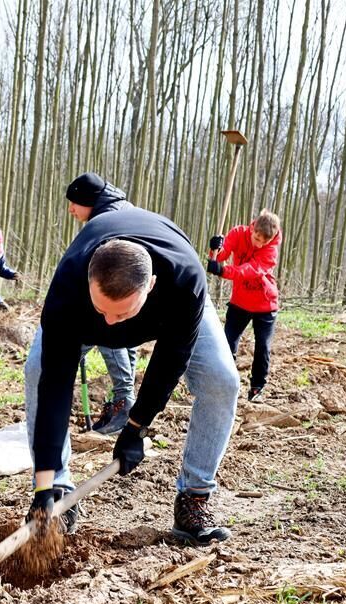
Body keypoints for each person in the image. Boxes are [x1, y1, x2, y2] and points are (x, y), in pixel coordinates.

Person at [25, 201, 240, 546]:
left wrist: (136, 427)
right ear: (89, 281)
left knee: (222, 380)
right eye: (101, 310)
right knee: (37, 370)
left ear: (151, 285)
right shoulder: (68, 286)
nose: (109, 324)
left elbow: (170, 362)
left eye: (121, 313)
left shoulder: (184, 282)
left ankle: (194, 499)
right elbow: (55, 385)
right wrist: (43, 482)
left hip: (173, 305)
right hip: (77, 313)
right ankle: (58, 494)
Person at [64, 173, 139, 435]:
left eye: (74, 202)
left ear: (90, 201)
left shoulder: (107, 221)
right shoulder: (116, 212)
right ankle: (123, 404)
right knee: (122, 339)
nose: (71, 208)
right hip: (131, 291)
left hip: (125, 290)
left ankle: (124, 402)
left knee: (109, 333)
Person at [207, 209, 282, 402]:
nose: (258, 243)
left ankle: (257, 387)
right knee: (227, 342)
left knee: (262, 347)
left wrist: (223, 271)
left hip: (265, 305)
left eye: (263, 242)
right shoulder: (238, 233)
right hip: (240, 301)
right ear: (253, 227)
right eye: (256, 237)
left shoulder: (270, 252)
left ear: (270, 240)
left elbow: (249, 271)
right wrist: (215, 248)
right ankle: (225, 381)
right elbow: (220, 257)